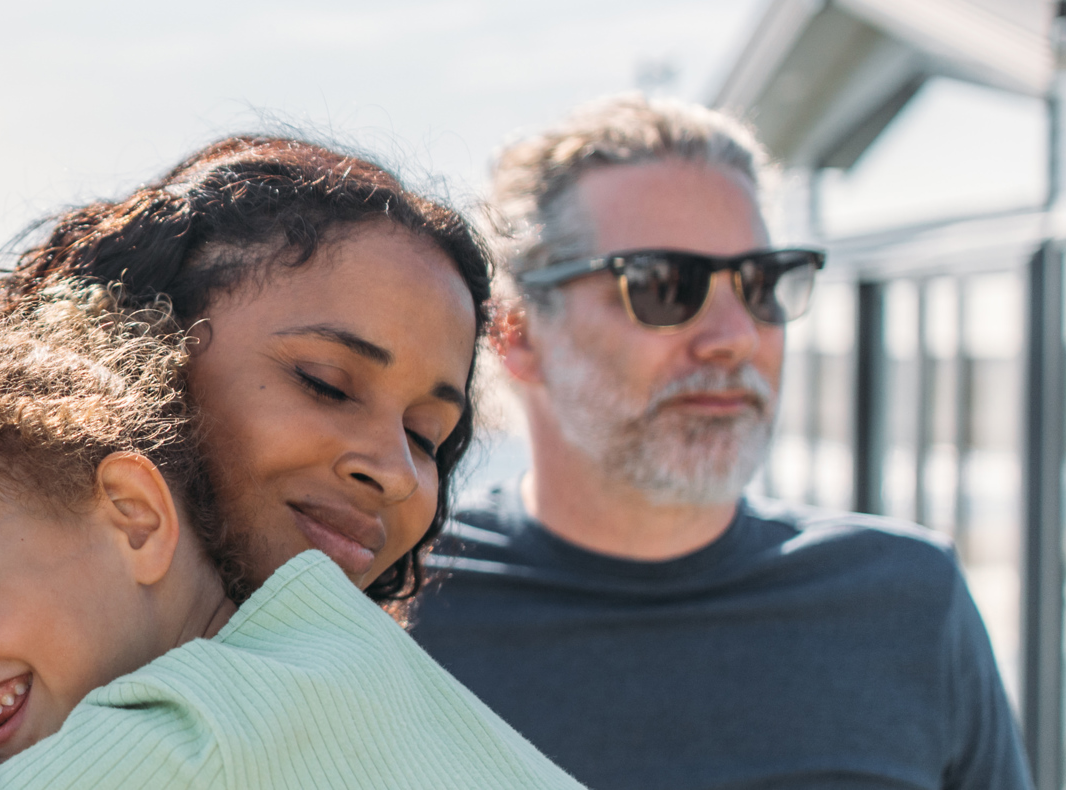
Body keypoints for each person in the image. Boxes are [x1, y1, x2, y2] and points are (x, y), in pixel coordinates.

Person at [0, 135, 546, 789]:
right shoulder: (354, 676)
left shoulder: (191, 723)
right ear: (141, 355)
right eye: (326, 384)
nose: (398, 473)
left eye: (427, 436)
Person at [407, 94, 1032, 789]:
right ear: (516, 336)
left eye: (760, 284)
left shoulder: (906, 599)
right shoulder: (402, 608)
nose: (735, 337)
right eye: (665, 286)